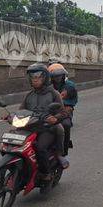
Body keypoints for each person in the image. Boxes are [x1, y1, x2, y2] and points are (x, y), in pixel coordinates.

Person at [17, 63, 67, 191]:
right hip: (30, 127)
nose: (35, 79)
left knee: (40, 147)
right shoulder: (29, 95)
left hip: (46, 128)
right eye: (32, 77)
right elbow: (21, 111)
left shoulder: (54, 94)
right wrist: (12, 117)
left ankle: (46, 174)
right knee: (15, 144)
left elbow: (63, 112)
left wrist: (55, 118)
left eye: (38, 76)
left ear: (45, 78)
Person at [48, 63, 77, 168]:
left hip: (64, 110)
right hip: (46, 111)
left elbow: (68, 99)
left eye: (59, 75)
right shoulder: (46, 86)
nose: (57, 78)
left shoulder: (69, 86)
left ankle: (62, 153)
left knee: (65, 125)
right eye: (55, 76)